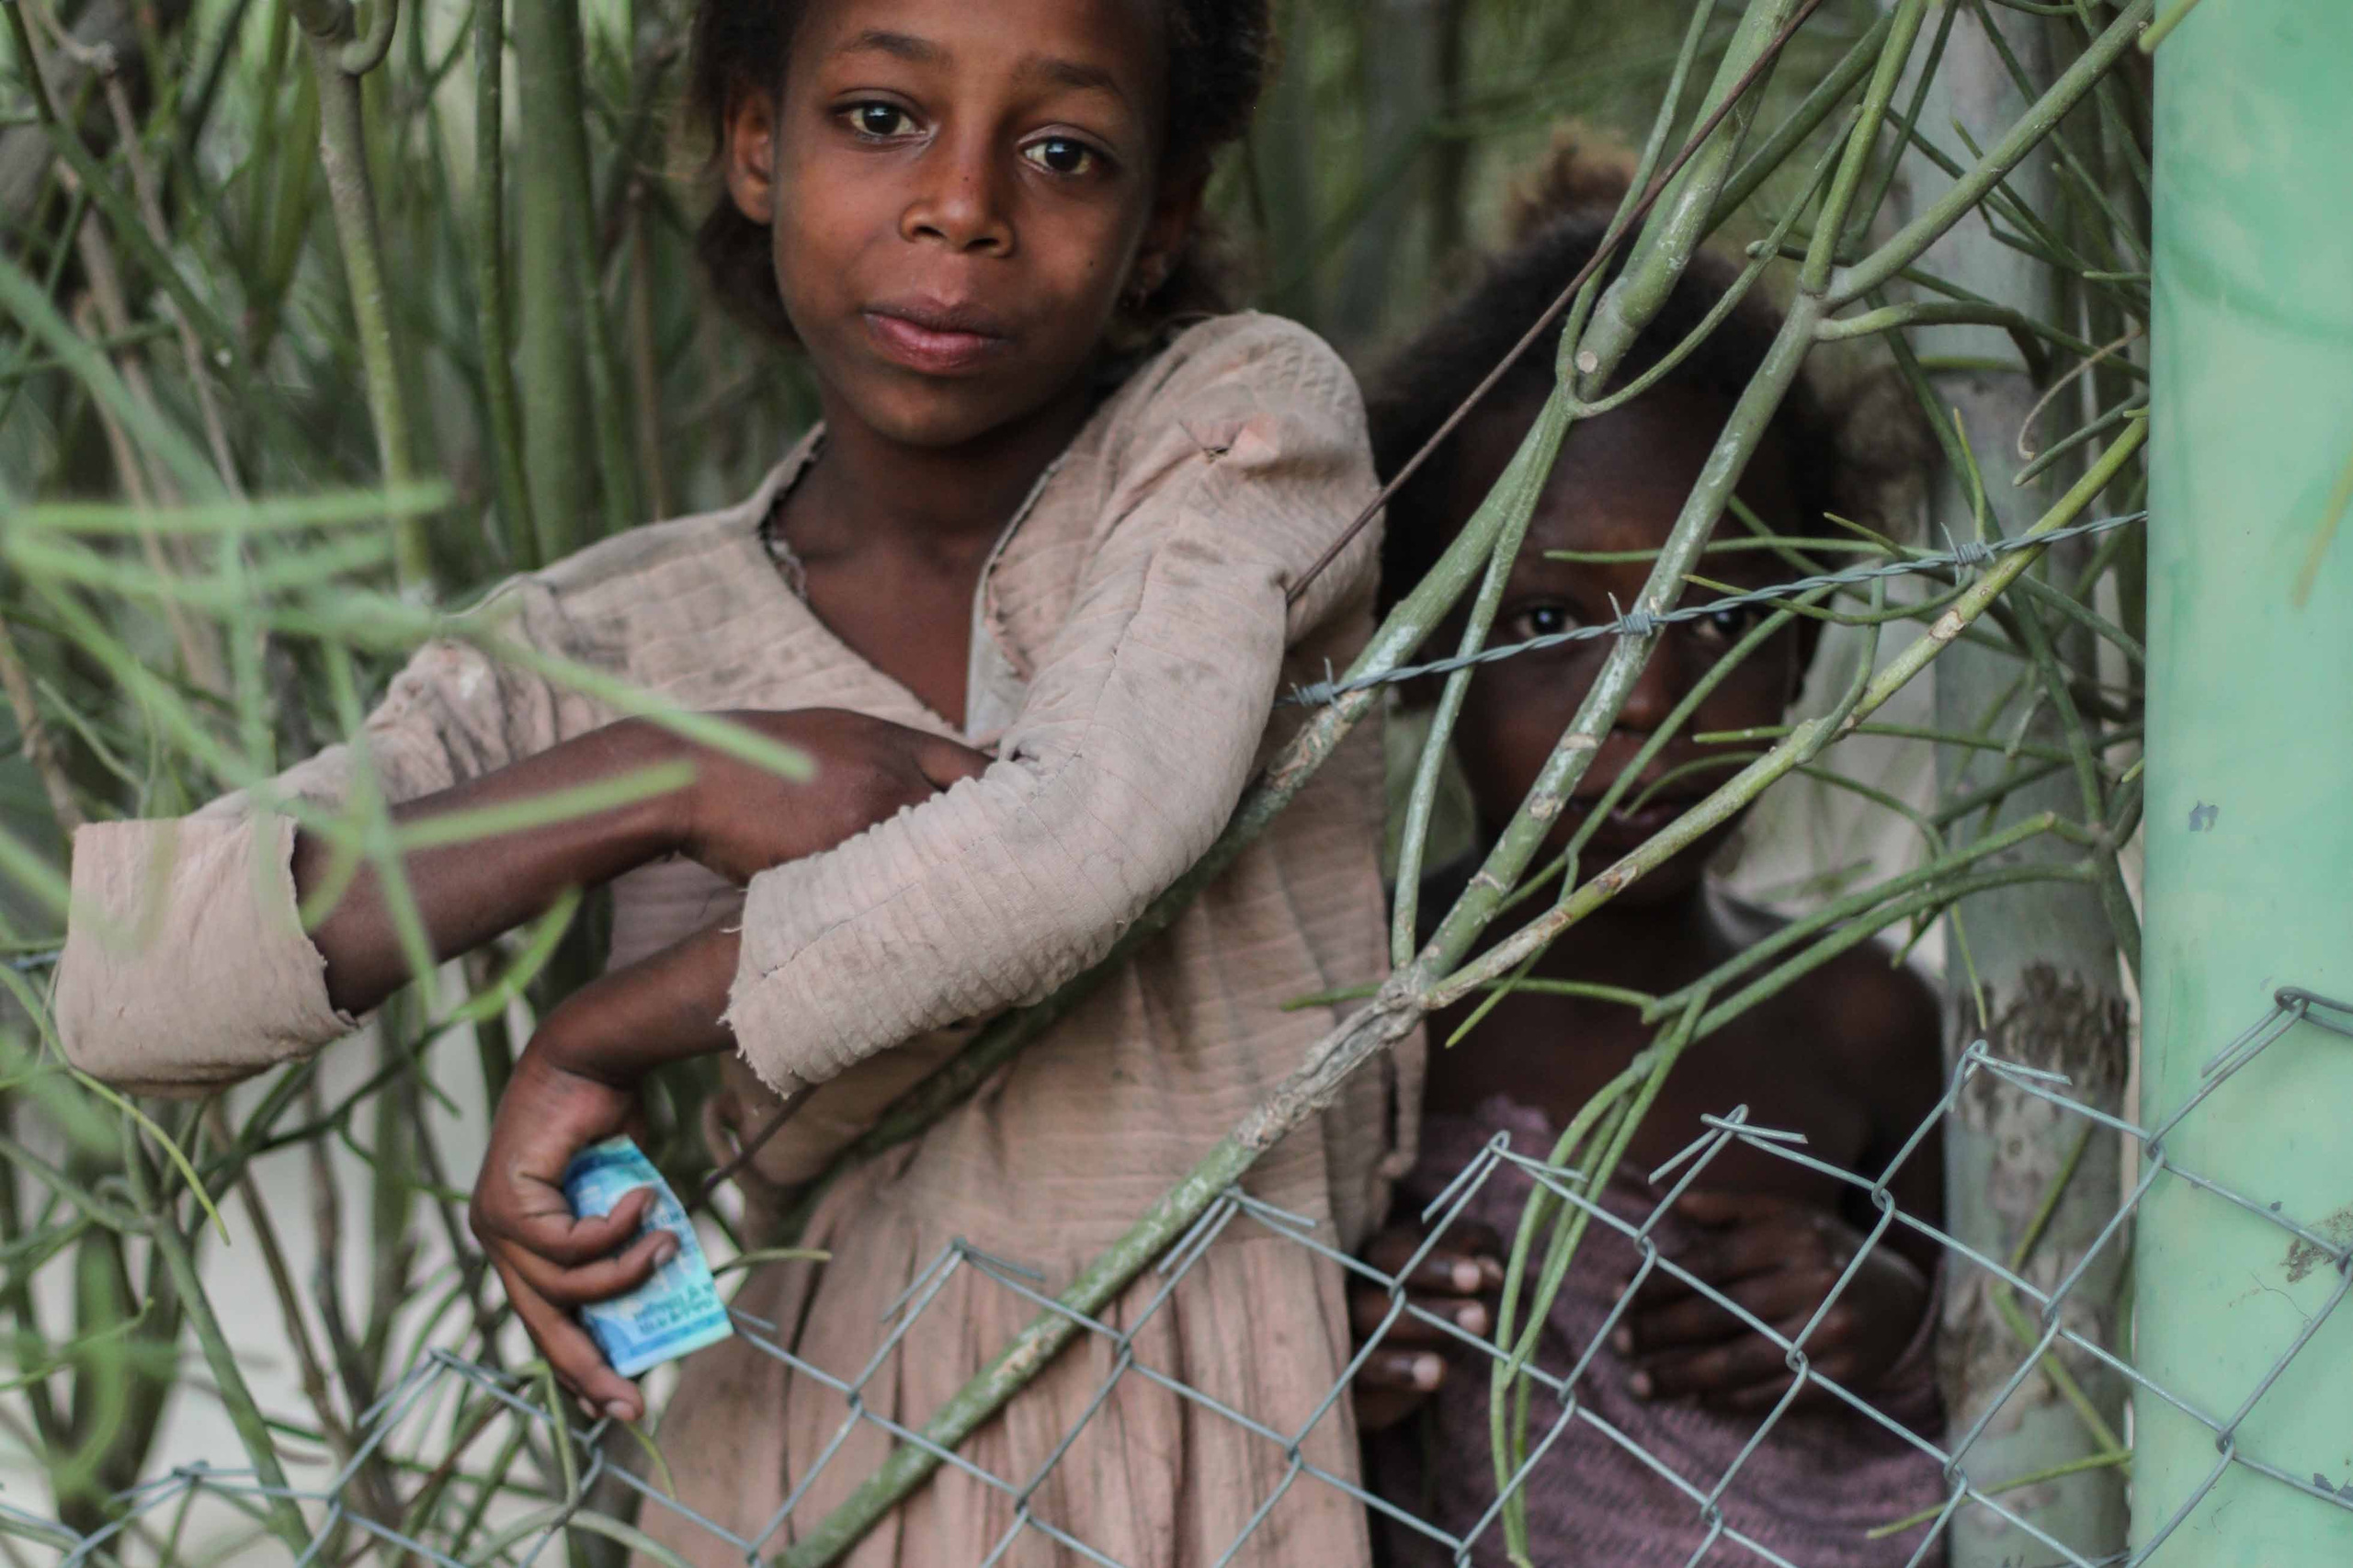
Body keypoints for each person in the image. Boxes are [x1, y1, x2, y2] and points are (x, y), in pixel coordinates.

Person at [51, 0, 1413, 1562]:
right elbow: (136, 981)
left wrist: (599, 1030)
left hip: (1223, 1434)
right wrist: (662, 777)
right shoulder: (611, 636)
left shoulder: (1235, 433)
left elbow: (1079, 835)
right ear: (757, 140)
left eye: (1063, 152)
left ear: (1161, 215)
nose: (962, 205)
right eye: (882, 118)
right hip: (805, 1470)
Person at [1347, 142, 1950, 1566]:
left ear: (1804, 651)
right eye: (1556, 623)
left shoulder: (1860, 1022)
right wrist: (1330, 1333)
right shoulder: (1348, 1005)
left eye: (1725, 618)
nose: (1646, 696)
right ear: (1429, 652)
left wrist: (1881, 1314)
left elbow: (1989, 1349)